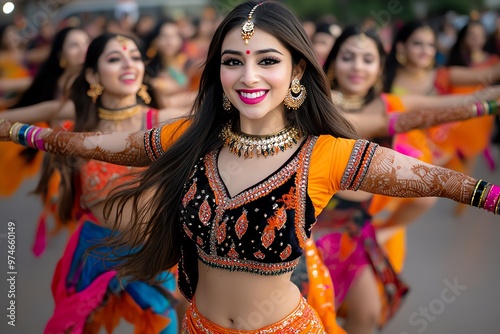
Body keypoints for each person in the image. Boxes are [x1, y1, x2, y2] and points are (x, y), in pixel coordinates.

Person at [0, 2, 499, 333]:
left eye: (267, 60)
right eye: (233, 61)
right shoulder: (189, 139)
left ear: (297, 69)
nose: (249, 76)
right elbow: (98, 144)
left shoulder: (325, 154)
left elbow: (444, 182)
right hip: (195, 325)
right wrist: (18, 131)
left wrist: (489, 174)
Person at [316, 25, 500, 333]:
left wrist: (388, 229)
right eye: (348, 57)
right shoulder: (313, 106)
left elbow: (457, 107)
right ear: (333, 62)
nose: (358, 67)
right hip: (307, 228)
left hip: (359, 228)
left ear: (379, 68)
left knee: (367, 315)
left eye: (367, 59)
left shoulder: (392, 107)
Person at [2, 33, 180, 333]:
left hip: (148, 253)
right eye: (114, 58)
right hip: (93, 250)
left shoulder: (162, 122)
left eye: (135, 57)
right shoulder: (77, 116)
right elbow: (7, 125)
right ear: (92, 75)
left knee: (165, 326)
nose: (129, 65)